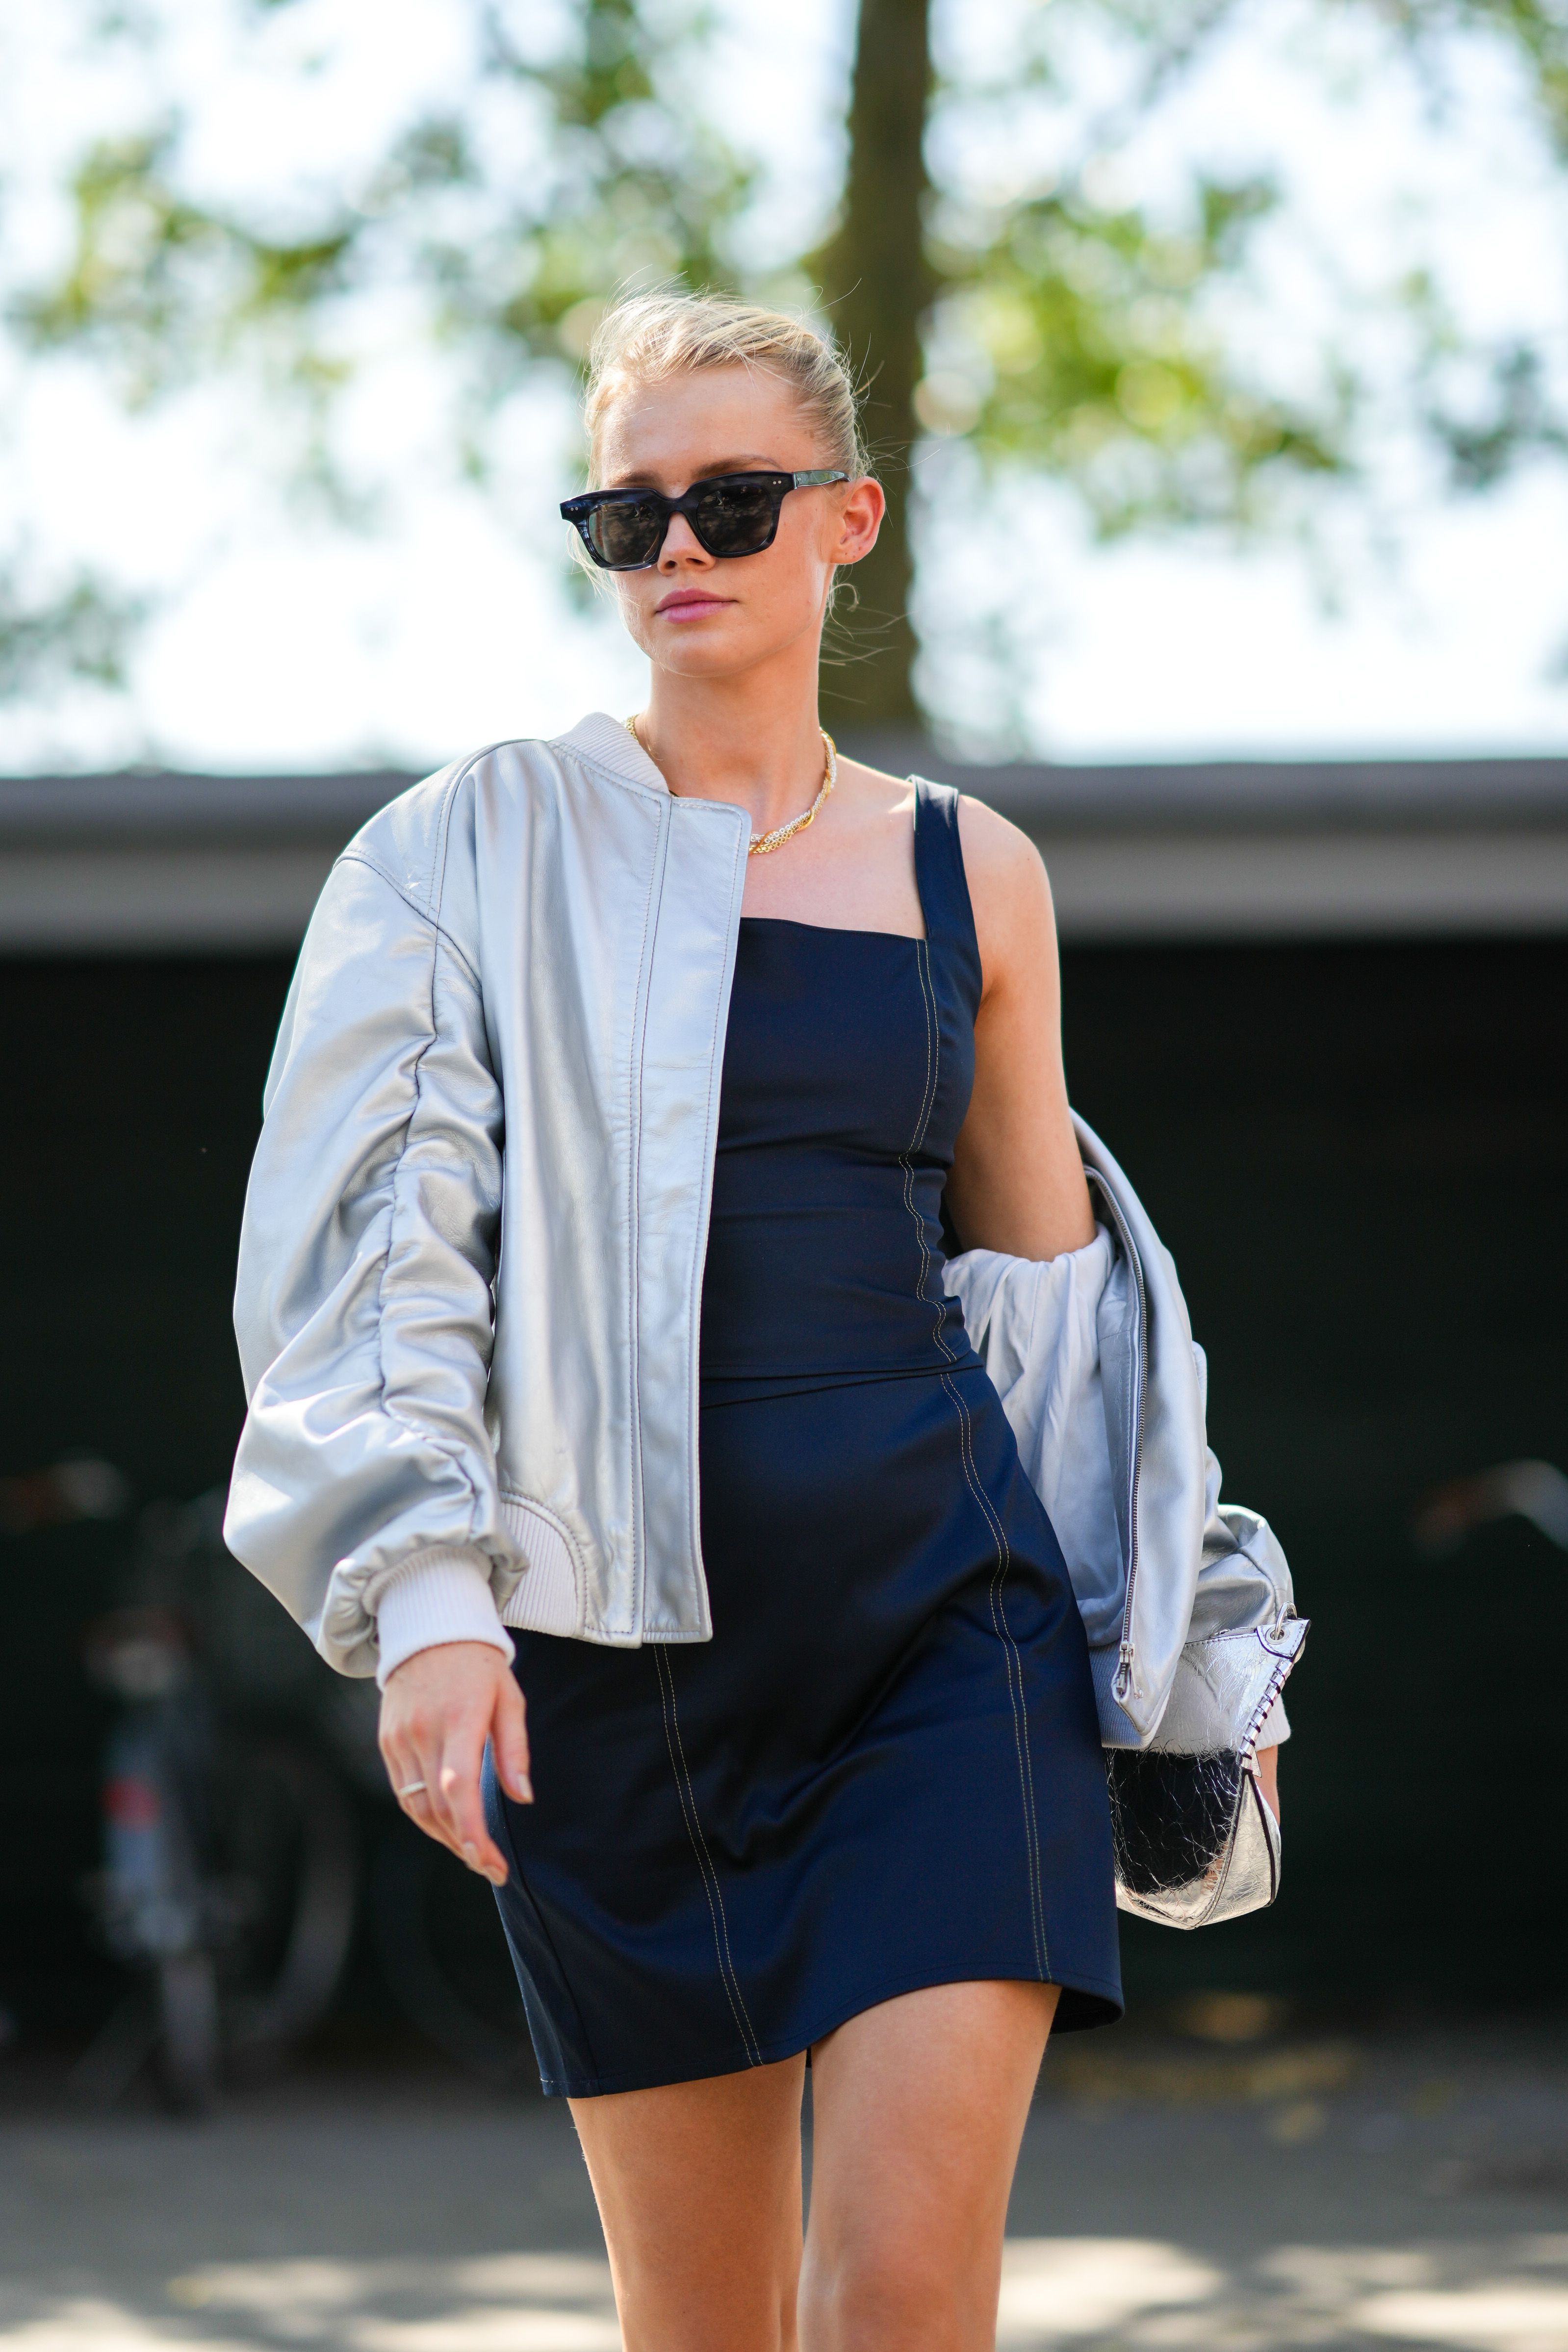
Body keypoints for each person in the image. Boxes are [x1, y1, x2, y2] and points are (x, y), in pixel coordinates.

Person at [227, 291, 1287, 2352]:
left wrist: (1189, 1623)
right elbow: (374, 1250)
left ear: (847, 517)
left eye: (728, 498)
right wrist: (426, 1593)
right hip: (614, 1690)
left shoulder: (972, 868)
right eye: (625, 517)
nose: (678, 550)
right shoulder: (458, 855)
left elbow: (1057, 1305)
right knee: (704, 2327)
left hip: (940, 1631)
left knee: (900, 2295)